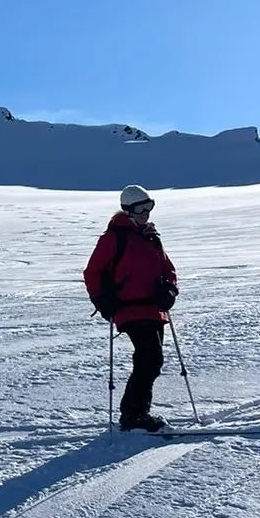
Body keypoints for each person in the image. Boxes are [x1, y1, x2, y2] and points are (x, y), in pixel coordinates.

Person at [83, 184, 180, 432]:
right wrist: (101, 300)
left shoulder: (151, 237)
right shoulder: (113, 238)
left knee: (151, 361)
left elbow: (168, 269)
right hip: (129, 309)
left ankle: (137, 413)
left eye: (149, 207)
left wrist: (170, 290)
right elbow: (93, 272)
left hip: (154, 309)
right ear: (127, 210)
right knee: (150, 358)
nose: (145, 213)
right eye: (140, 209)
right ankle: (133, 415)